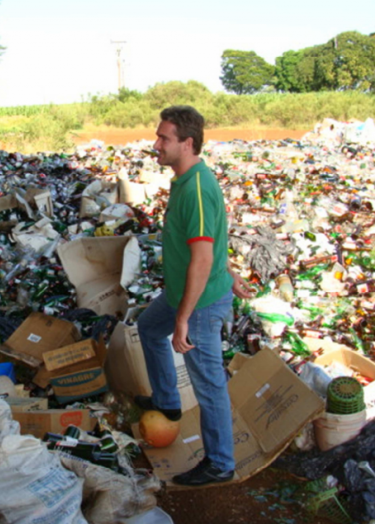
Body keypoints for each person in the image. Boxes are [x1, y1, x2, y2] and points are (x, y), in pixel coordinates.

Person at [135, 105, 253, 486]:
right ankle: (168, 401)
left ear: (186, 143)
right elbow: (212, 241)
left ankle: (220, 462)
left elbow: (202, 258)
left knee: (208, 381)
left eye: (163, 137)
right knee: (149, 328)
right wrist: (230, 272)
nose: (156, 144)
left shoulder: (198, 188)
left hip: (199, 301)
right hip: (185, 290)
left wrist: (184, 317)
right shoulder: (186, 180)